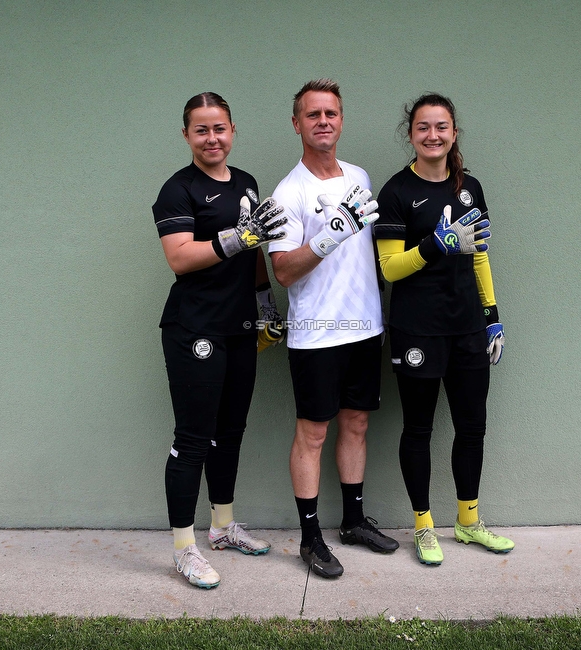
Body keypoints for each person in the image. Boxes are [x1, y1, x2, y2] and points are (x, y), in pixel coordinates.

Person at [152, 92, 288, 589]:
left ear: (233, 130)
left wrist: (265, 305)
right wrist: (237, 237)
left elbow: (255, 254)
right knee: (192, 437)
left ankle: (224, 526)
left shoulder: (248, 183)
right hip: (194, 328)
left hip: (239, 326)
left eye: (220, 128)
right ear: (187, 135)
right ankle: (184, 548)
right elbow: (180, 257)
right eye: (202, 130)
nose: (213, 138)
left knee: (230, 430)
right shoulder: (177, 190)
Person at [373, 93, 514, 566]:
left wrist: (491, 315)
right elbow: (390, 269)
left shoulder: (469, 187)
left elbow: (479, 255)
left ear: (453, 133)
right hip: (418, 330)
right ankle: (424, 526)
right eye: (422, 127)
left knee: (472, 425)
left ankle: (468, 522)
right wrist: (435, 245)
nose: (432, 135)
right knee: (418, 428)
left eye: (441, 127)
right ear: (410, 134)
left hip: (468, 328)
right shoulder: (396, 191)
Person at [268, 79, 400, 579]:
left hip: (365, 327)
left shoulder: (360, 176)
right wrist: (327, 238)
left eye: (332, 113)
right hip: (318, 335)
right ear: (297, 123)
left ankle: (352, 521)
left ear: (341, 120)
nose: (323, 121)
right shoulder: (289, 192)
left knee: (358, 424)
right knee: (313, 433)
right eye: (313, 114)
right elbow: (282, 270)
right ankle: (309, 537)